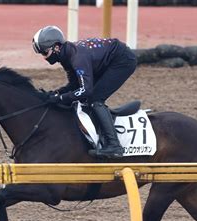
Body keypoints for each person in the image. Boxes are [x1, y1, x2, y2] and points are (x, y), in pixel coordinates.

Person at [32, 25, 137, 159]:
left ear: (56, 47)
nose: (44, 57)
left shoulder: (77, 58)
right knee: (86, 98)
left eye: (44, 53)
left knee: (95, 99)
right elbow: (73, 85)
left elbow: (85, 90)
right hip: (109, 60)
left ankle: (114, 146)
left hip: (122, 61)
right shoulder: (66, 56)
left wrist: (59, 99)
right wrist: (54, 94)